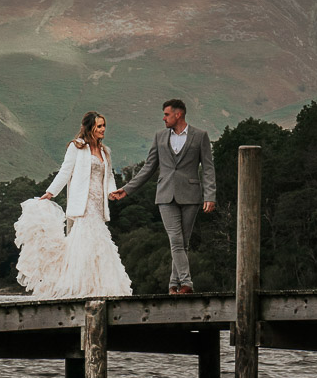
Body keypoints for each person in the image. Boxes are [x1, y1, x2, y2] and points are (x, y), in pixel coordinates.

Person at [13, 111, 133, 298]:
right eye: (99, 126)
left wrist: (112, 191)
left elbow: (108, 176)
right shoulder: (76, 147)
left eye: (104, 126)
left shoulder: (104, 151)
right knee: (85, 240)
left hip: (98, 205)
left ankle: (100, 288)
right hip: (82, 204)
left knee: (100, 242)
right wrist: (50, 193)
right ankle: (80, 288)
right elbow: (65, 171)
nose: (103, 130)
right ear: (90, 127)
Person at [109, 99, 215, 294]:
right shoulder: (159, 137)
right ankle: (186, 283)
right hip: (165, 196)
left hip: (191, 196)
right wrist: (127, 189)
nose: (163, 118)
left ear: (178, 114)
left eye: (166, 114)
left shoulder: (200, 136)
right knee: (176, 239)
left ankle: (173, 285)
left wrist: (210, 195)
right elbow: (148, 168)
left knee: (183, 243)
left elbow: (208, 168)